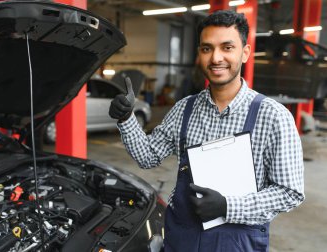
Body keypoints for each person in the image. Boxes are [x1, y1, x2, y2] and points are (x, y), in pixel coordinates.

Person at [109, 10, 304, 252]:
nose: (216, 58)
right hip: (182, 236)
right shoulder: (184, 109)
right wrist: (127, 117)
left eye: (227, 47)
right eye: (207, 48)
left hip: (237, 242)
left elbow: (290, 192)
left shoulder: (273, 116)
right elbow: (148, 157)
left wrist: (227, 207)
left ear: (245, 53)